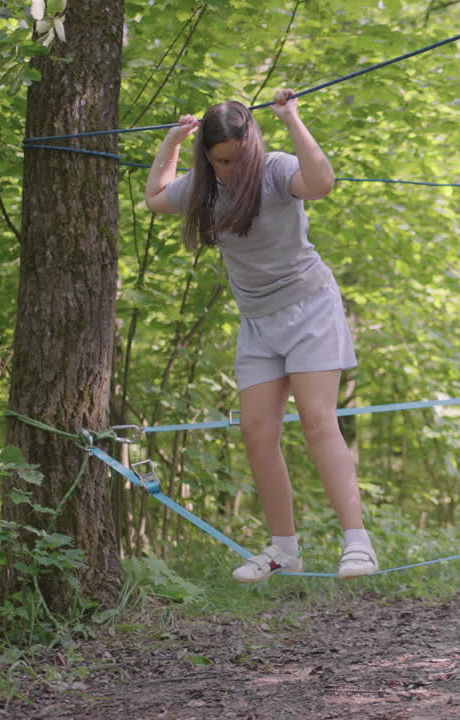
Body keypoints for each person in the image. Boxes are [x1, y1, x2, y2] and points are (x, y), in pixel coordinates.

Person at [144, 89, 377, 581]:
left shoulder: (274, 168)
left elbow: (321, 182)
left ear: (254, 144)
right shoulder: (205, 188)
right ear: (207, 158)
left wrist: (292, 118)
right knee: (256, 432)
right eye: (222, 160)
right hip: (258, 321)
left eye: (238, 156)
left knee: (317, 421)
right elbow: (154, 198)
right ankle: (284, 548)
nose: (233, 168)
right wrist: (171, 141)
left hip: (310, 308)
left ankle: (357, 542)